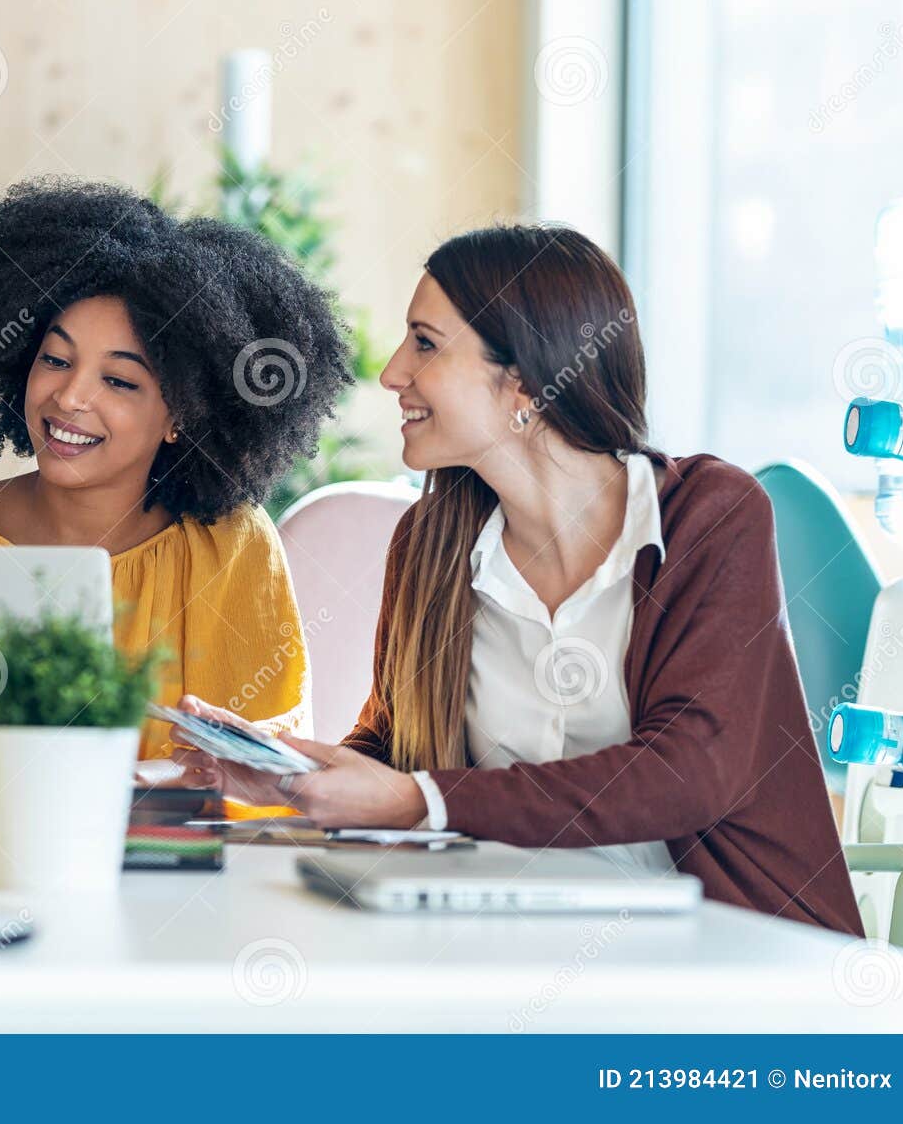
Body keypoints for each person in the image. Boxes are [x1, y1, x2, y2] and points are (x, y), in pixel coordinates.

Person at [171, 223, 862, 934]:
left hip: (736, 956)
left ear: (526, 382)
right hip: (520, 942)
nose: (392, 373)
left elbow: (689, 770)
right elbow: (394, 748)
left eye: (427, 343)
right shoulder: (430, 545)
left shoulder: (711, 517)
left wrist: (421, 801)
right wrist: (289, 775)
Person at [0, 177, 352, 807]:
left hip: (171, 886)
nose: (70, 397)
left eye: (119, 380)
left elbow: (266, 765)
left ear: (181, 416)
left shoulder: (228, 549)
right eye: (56, 360)